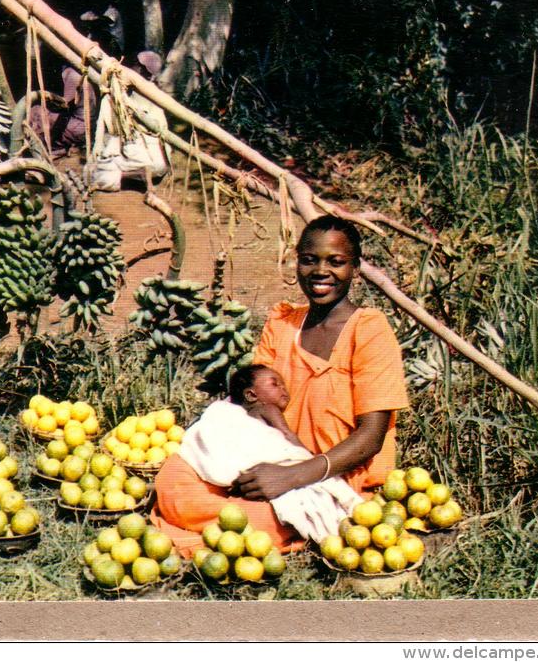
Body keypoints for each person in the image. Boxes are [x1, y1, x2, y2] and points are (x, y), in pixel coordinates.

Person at [150, 215, 409, 557]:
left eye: (336, 262)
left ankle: (241, 523)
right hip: (269, 456)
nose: (321, 271)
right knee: (172, 477)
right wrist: (241, 458)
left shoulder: (370, 330)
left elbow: (371, 438)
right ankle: (226, 514)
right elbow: (254, 403)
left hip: (330, 473)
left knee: (250, 521)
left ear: (356, 269)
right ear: (297, 262)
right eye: (309, 260)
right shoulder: (283, 322)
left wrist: (294, 476)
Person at [177, 364, 362, 544]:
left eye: (283, 384)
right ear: (251, 395)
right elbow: (289, 436)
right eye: (275, 384)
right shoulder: (266, 409)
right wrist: (308, 457)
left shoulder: (245, 415)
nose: (284, 389)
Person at [87, 50, 172, 192]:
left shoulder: (136, 92)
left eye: (136, 65)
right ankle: (138, 174)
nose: (132, 67)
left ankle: (127, 175)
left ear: (143, 69)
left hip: (144, 155)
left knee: (96, 173)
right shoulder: (154, 90)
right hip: (161, 163)